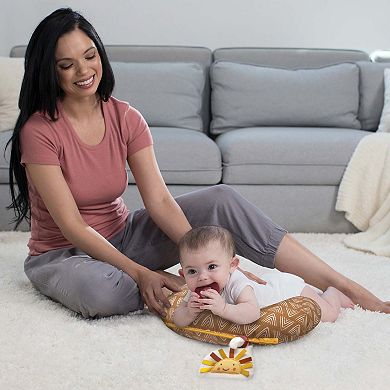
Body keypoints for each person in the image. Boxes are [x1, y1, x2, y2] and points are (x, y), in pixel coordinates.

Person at [7, 8, 390, 320]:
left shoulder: (125, 117)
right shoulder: (39, 130)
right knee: (103, 293)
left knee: (220, 200)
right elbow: (72, 227)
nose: (84, 71)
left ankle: (344, 285)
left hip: (124, 236)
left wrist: (198, 259)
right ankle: (159, 281)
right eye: (67, 65)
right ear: (49, 70)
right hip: (65, 255)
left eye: (89, 56)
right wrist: (143, 274)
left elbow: (157, 201)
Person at [173, 226, 355, 326]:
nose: (203, 277)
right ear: (183, 274)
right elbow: (178, 319)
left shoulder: (237, 283)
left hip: (287, 291)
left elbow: (252, 312)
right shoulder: (195, 291)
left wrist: (223, 309)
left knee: (329, 315)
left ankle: (333, 293)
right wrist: (189, 311)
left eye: (212, 266)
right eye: (192, 271)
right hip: (269, 284)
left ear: (232, 266)